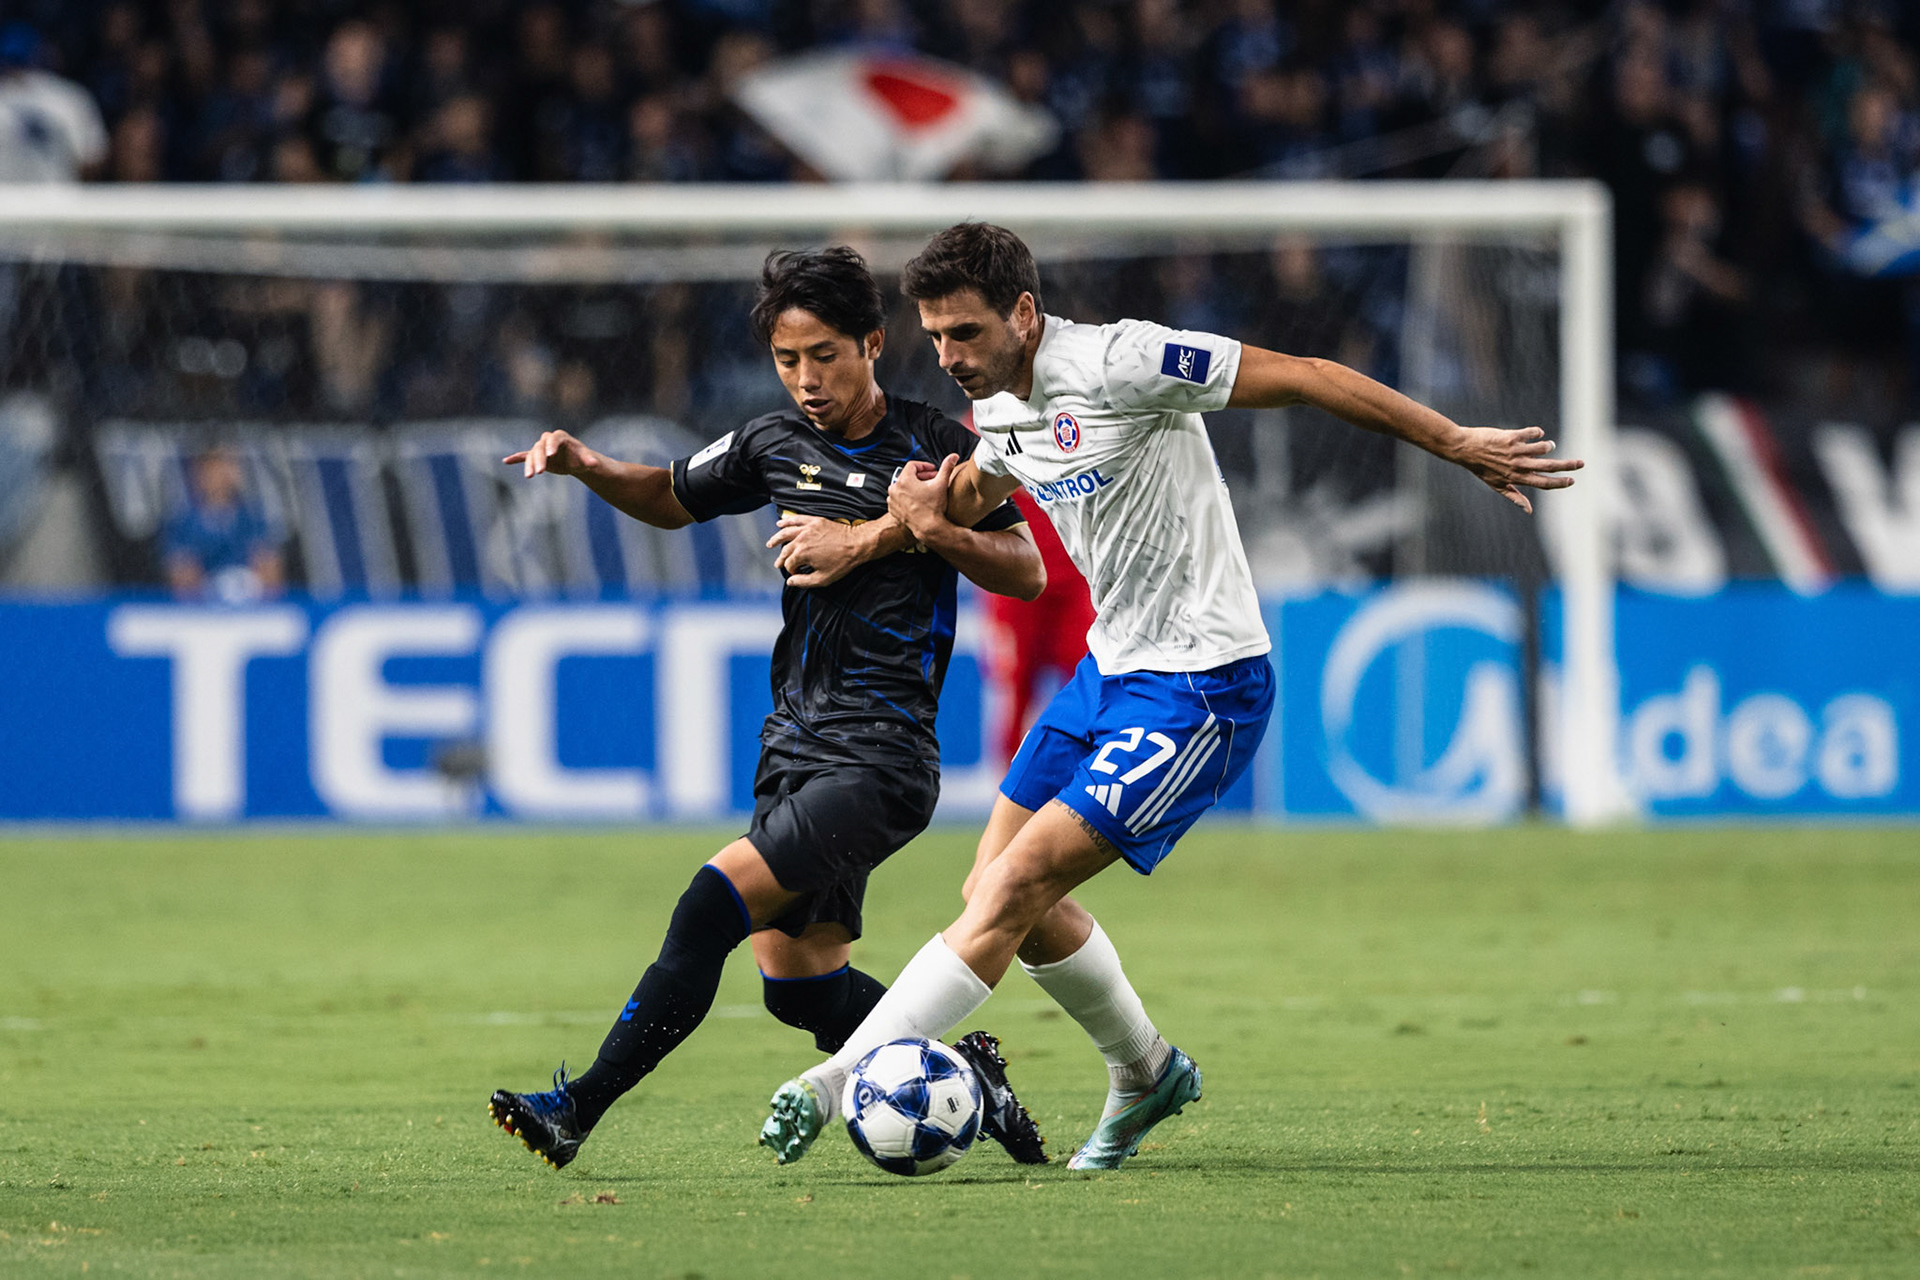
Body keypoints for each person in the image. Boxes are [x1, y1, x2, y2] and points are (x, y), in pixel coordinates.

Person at [761, 222, 1581, 1170]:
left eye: (968, 335)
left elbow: (1308, 374)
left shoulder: (1125, 361)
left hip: (1204, 684)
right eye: (936, 337)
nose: (949, 358)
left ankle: (833, 1087)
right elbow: (960, 504)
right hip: (1110, 670)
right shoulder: (998, 414)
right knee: (994, 888)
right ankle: (1147, 1071)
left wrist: (1454, 442)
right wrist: (874, 538)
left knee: (1019, 885)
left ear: (1024, 315)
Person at [487, 246, 1051, 1170]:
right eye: (789, 361)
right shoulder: (770, 444)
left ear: (873, 342)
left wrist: (925, 527)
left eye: (825, 355)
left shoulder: (937, 445)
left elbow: (1027, 570)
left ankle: (575, 1108)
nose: (807, 379)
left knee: (708, 906)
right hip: (794, 746)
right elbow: (672, 496)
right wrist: (589, 465)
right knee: (798, 987)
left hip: (882, 759)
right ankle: (966, 1076)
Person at [162, 446, 284, 602]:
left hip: (252, 610)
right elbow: (184, 583)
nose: (225, 473)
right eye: (216, 467)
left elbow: (271, 579)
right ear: (200, 474)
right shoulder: (183, 525)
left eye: (231, 464)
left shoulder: (254, 519)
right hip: (203, 615)